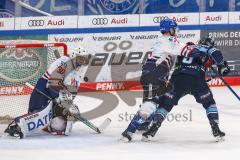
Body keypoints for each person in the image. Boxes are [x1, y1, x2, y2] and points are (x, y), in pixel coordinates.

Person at [141, 36, 230, 141]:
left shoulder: (188, 47)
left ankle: (152, 130)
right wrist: (222, 66)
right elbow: (216, 55)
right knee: (209, 103)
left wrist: (219, 66)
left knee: (165, 104)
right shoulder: (207, 49)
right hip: (196, 80)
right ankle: (215, 128)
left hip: (178, 79)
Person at [120, 18, 188, 142]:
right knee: (149, 105)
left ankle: (144, 124)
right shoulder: (169, 40)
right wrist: (198, 50)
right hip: (154, 75)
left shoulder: (165, 41)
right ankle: (128, 132)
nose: (176, 31)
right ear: (170, 30)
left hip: (155, 75)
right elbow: (186, 50)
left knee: (155, 100)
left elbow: (179, 50)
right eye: (174, 28)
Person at [4, 47, 88, 138]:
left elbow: (72, 93)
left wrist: (69, 104)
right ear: (73, 56)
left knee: (60, 124)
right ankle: (18, 126)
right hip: (44, 88)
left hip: (56, 93)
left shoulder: (77, 73)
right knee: (38, 113)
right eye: (80, 59)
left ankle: (48, 126)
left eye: (84, 59)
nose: (82, 62)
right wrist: (62, 97)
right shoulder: (63, 62)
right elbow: (52, 83)